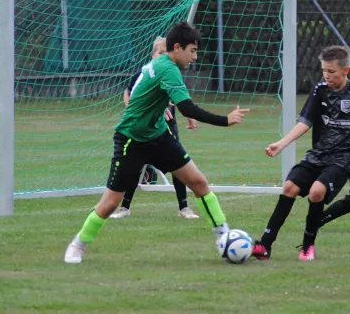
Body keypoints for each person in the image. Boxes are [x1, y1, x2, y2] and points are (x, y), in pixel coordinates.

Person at [64, 20, 250, 264]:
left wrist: (156, 107)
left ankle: (223, 236)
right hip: (132, 138)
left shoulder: (163, 63)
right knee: (111, 202)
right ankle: (78, 244)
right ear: (177, 47)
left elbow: (148, 91)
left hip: (158, 135)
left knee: (198, 182)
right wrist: (225, 120)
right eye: (192, 51)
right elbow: (186, 107)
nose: (195, 57)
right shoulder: (167, 68)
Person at [251, 45, 350, 261]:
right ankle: (265, 245)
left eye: (331, 71)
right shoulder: (320, 89)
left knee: (316, 192)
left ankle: (308, 246)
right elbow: (305, 122)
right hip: (319, 153)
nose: (326, 75)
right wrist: (281, 144)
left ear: (345, 70)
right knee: (289, 187)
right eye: (324, 70)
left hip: (344, 158)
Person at [109, 36, 200, 219]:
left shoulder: (170, 72)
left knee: (178, 166)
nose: (162, 55)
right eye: (159, 52)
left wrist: (189, 118)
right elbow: (128, 92)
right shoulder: (145, 73)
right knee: (135, 166)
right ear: (153, 54)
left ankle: (184, 207)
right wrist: (135, 112)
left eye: (165, 52)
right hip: (144, 130)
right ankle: (125, 207)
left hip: (167, 128)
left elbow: (182, 99)